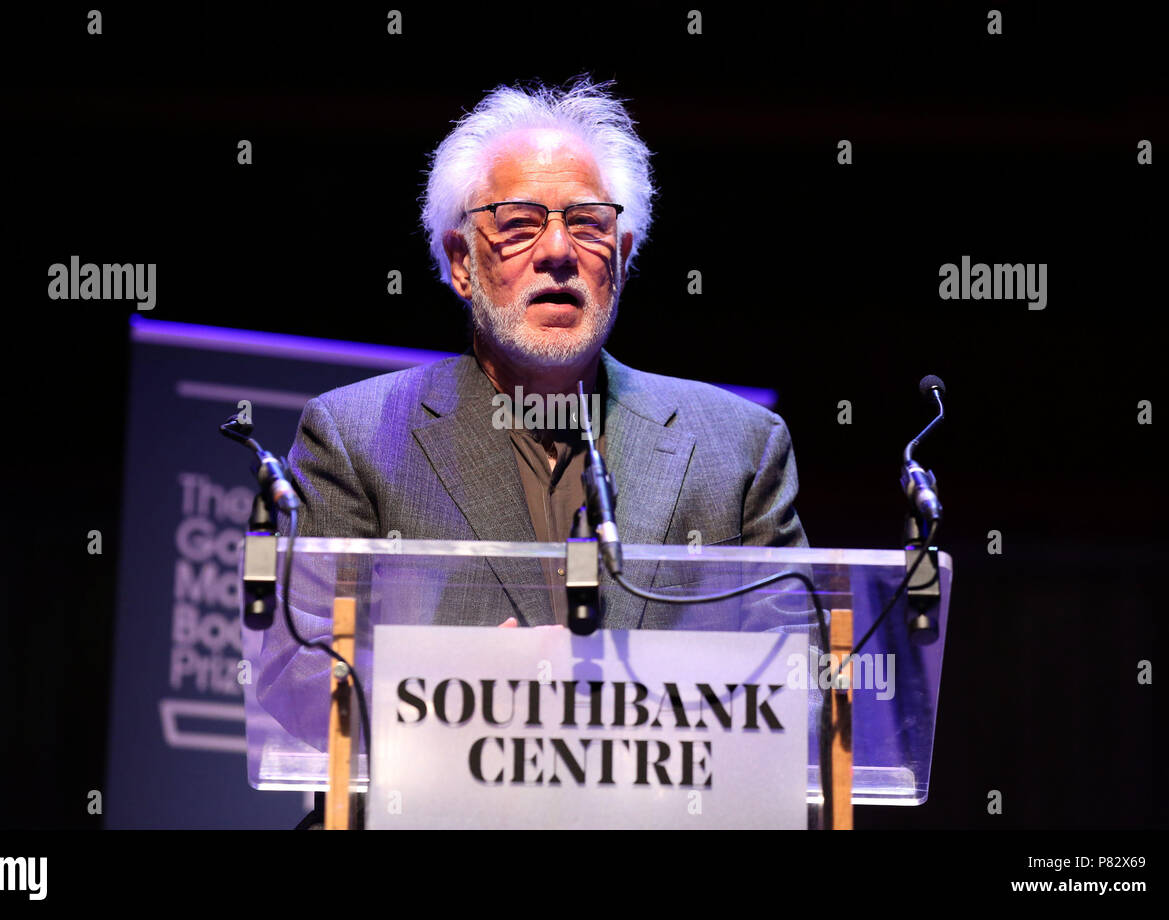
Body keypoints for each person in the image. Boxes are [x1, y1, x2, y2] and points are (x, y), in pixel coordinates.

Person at [259, 76, 809, 751]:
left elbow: (802, 677)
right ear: (461, 263)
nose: (557, 251)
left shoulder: (741, 448)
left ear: (623, 257)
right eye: (519, 224)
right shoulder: (356, 438)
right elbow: (295, 671)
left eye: (586, 223)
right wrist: (468, 688)